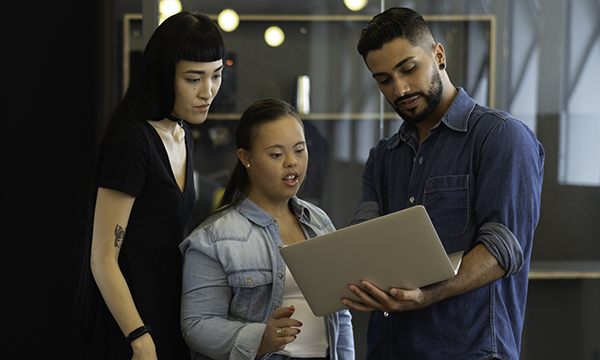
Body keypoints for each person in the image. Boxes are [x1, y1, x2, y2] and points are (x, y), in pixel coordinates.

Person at [341, 7, 545, 360]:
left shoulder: (501, 137)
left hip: (470, 351)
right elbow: (366, 236)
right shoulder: (384, 156)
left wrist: (426, 294)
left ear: (438, 55)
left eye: (408, 68)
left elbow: (503, 250)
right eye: (384, 79)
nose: (399, 89)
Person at [76, 12, 226, 359]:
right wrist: (139, 336)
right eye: (193, 79)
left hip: (171, 317)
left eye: (216, 76)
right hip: (132, 326)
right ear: (163, 75)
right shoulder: (133, 141)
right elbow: (102, 258)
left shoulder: (182, 133)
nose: (208, 92)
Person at [179, 98, 355, 360]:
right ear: (245, 158)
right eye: (276, 154)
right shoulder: (213, 238)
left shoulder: (319, 221)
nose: (291, 162)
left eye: (299, 150)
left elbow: (340, 313)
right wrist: (260, 338)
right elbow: (196, 325)